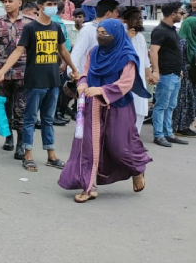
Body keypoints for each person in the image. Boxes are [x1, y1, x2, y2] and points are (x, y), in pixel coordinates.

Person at [58, 19, 152, 203]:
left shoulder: (126, 56)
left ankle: (137, 169)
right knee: (88, 146)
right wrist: (82, 83)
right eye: (98, 32)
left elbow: (126, 82)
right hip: (93, 106)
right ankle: (88, 186)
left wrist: (102, 90)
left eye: (104, 33)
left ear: (116, 35)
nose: (100, 36)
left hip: (119, 107)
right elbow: (86, 72)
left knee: (120, 147)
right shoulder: (94, 53)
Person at [0, 0, 79, 172]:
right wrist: (2, 71)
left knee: (48, 119)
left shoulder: (55, 28)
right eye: (49, 5)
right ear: (40, 6)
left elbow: (63, 51)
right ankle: (28, 154)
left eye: (54, 5)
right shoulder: (30, 28)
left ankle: (51, 154)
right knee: (30, 119)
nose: (52, 8)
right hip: (34, 81)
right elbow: (18, 51)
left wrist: (74, 69)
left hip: (53, 81)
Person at [0, 0, 31, 159]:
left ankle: (21, 143)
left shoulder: (30, 23)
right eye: (5, 1)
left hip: (23, 71)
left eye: (10, 1)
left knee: (20, 109)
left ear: (19, 3)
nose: (7, 4)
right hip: (2, 72)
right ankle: (8, 137)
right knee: (4, 106)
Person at [149, 2, 188, 147]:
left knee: (171, 105)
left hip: (175, 74)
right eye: (180, 12)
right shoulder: (160, 31)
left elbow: (173, 52)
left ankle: (168, 133)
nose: (182, 15)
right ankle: (159, 135)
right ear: (173, 14)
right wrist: (156, 71)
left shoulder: (172, 30)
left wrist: (180, 70)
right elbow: (153, 51)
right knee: (161, 105)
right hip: (165, 74)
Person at [70, 0, 120, 79]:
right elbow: (77, 52)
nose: (118, 15)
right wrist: (73, 72)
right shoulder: (87, 29)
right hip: (89, 78)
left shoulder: (113, 30)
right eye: (116, 12)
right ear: (109, 13)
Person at [124, 8, 152, 135]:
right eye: (136, 18)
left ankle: (135, 142)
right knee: (127, 114)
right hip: (126, 82)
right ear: (127, 20)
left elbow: (145, 59)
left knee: (140, 112)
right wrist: (127, 38)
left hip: (140, 80)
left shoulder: (140, 37)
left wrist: (149, 74)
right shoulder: (122, 35)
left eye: (141, 18)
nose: (140, 20)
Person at [173, 21, 196, 138]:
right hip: (183, 75)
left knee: (189, 101)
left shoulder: (193, 40)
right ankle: (180, 127)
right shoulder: (183, 41)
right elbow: (179, 58)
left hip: (190, 76)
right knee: (183, 102)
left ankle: (183, 126)